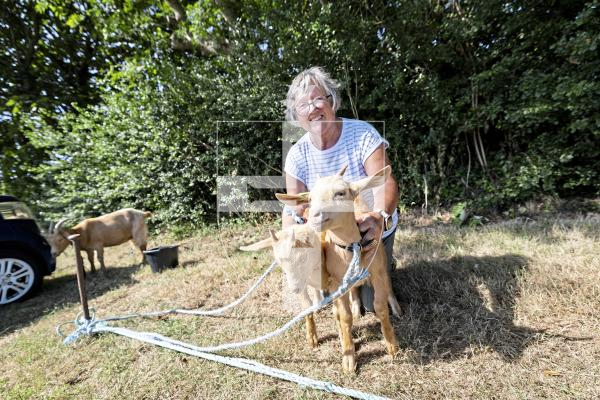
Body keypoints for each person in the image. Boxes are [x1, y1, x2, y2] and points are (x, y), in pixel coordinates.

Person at [282, 66, 399, 313]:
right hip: (332, 237)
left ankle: (385, 263)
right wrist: (298, 250)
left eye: (317, 99)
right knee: (328, 286)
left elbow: (385, 183)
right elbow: (296, 207)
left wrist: (380, 218)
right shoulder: (296, 155)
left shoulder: (362, 133)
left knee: (370, 302)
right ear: (297, 116)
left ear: (331, 101)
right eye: (303, 105)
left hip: (369, 228)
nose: (312, 108)